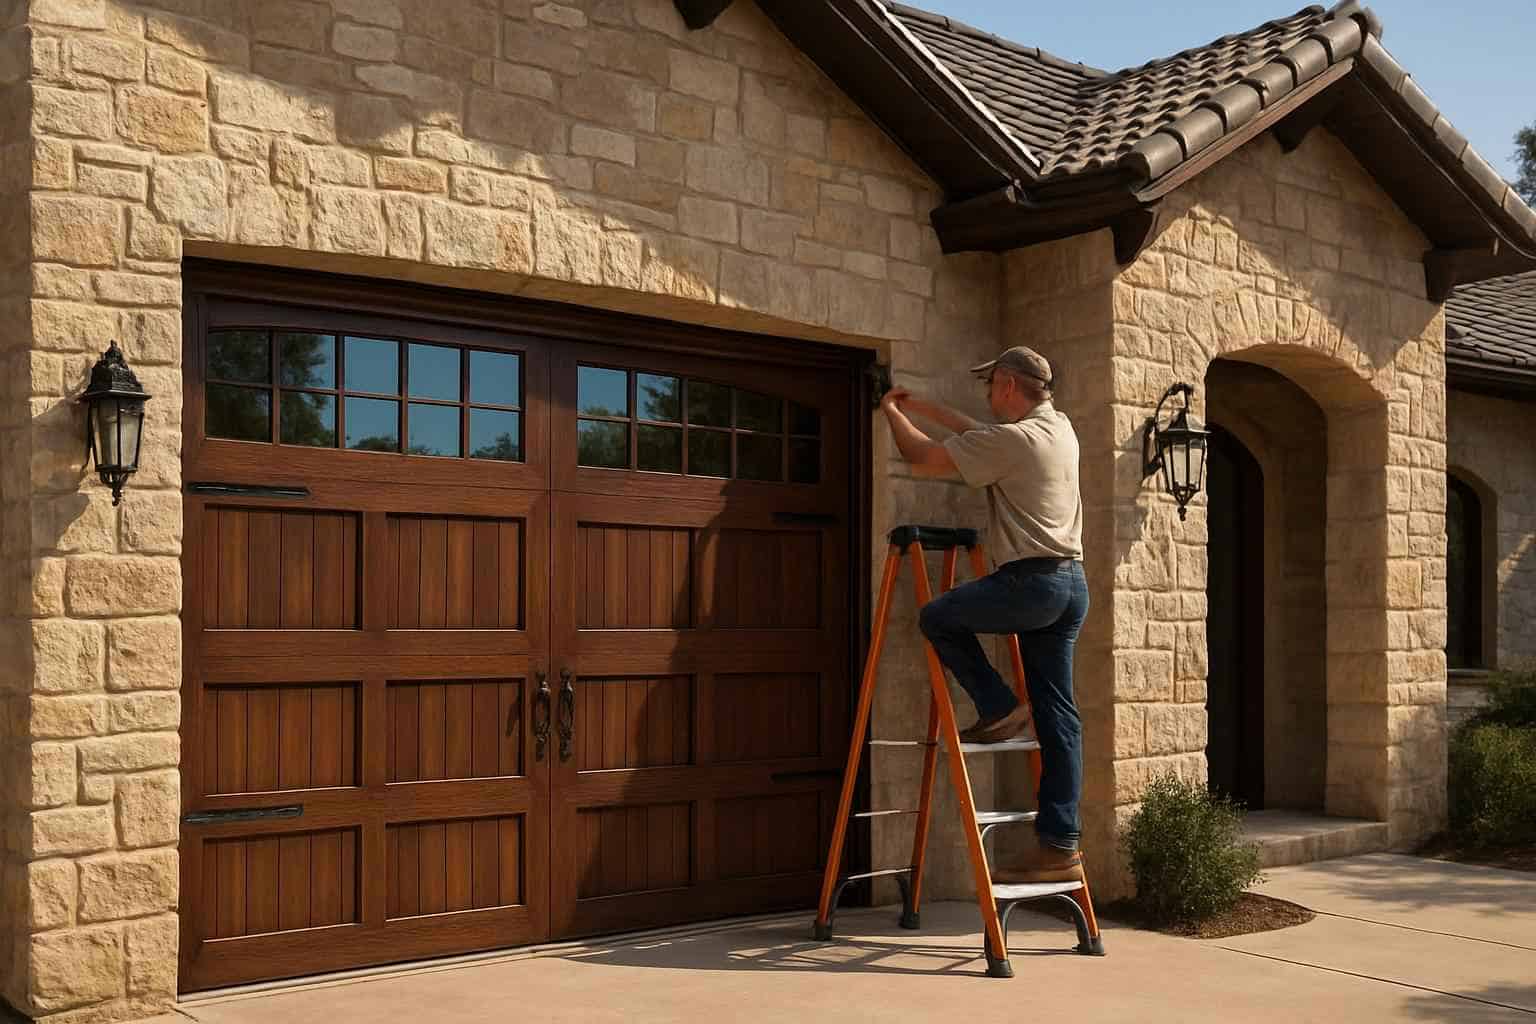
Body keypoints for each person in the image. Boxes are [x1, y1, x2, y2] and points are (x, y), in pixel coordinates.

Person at [878, 345, 1088, 884]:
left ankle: (997, 706)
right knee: (1059, 715)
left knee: (938, 616)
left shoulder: (1013, 440)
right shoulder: (1059, 428)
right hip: (1070, 587)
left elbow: (921, 458)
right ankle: (1060, 843)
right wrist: (928, 406)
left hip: (1031, 584)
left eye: (991, 385)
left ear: (1009, 385)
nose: (988, 396)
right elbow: (981, 435)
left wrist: (895, 414)